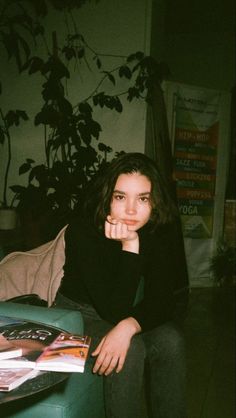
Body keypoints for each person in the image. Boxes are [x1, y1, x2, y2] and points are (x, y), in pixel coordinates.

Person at [55, 152, 189, 418]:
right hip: (76, 316)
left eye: (143, 199)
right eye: (120, 197)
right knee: (130, 350)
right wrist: (130, 246)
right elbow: (112, 309)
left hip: (127, 310)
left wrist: (129, 325)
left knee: (172, 340)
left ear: (155, 202)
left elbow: (163, 300)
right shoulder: (83, 231)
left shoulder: (157, 231)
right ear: (108, 198)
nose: (130, 210)